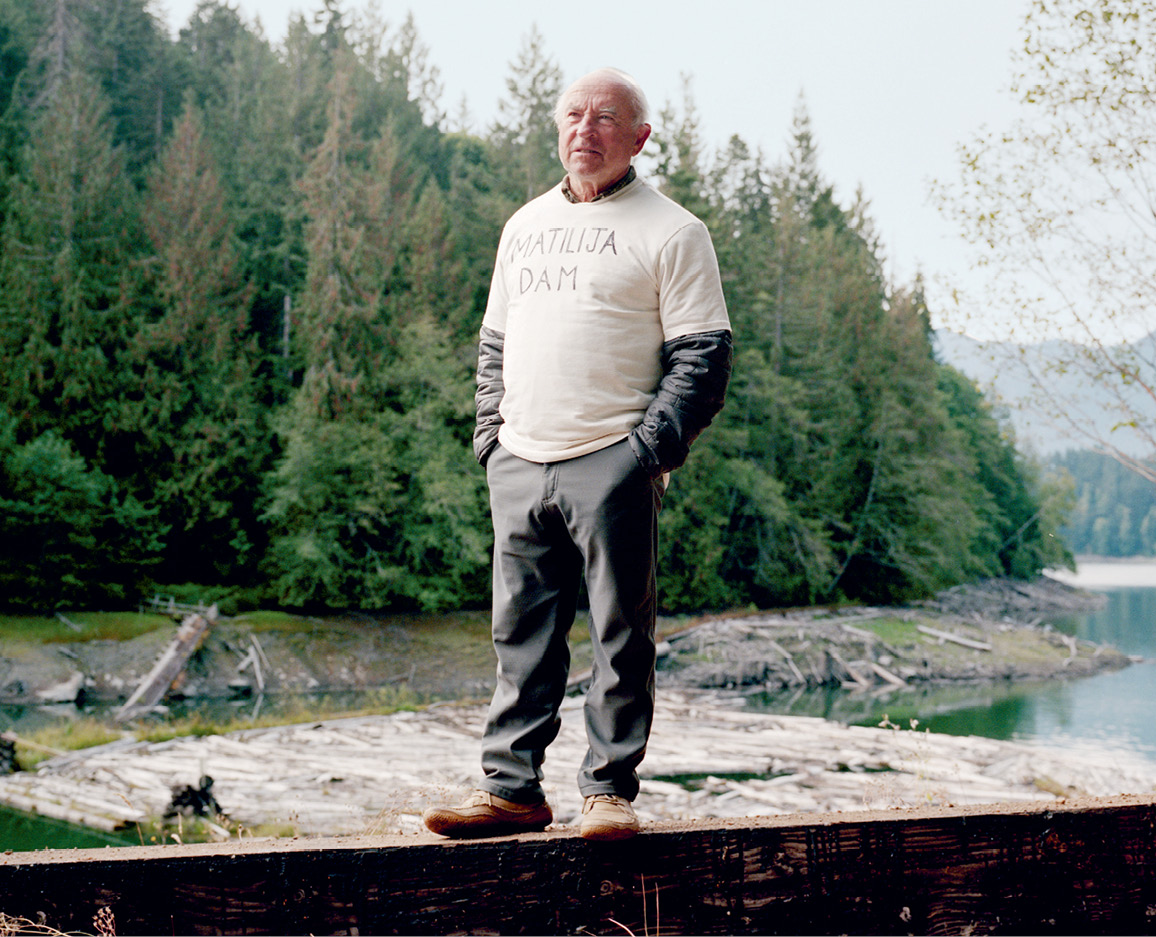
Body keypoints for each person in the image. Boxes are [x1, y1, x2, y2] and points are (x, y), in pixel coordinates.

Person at [422, 67, 732, 842]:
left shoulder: (673, 231)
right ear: (556, 128)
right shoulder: (523, 224)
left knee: (619, 630)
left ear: (639, 137)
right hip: (521, 458)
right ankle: (511, 790)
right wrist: (492, 440)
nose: (585, 130)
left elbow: (704, 359)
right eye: (573, 116)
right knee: (518, 629)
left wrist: (643, 453)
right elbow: (494, 346)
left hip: (612, 457)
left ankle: (607, 791)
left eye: (605, 118)